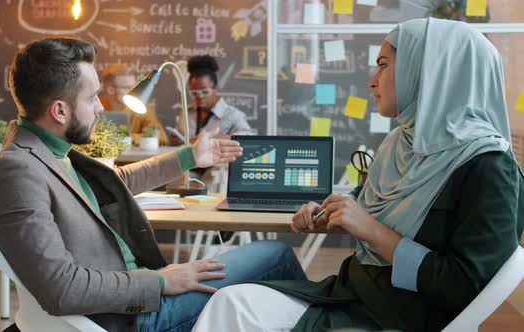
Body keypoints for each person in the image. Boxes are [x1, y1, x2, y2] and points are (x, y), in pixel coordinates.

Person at [193, 18, 524, 332]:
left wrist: (371, 230)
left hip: (398, 316)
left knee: (233, 306)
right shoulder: (400, 143)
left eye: (383, 64)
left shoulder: (490, 166)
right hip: (350, 293)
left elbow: (465, 286)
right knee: (230, 301)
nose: (371, 80)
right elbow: (367, 207)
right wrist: (333, 212)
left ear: (430, 70)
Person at [0, 38, 307, 332]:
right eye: (93, 97)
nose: (101, 107)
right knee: (277, 255)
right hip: (134, 318)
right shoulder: (17, 174)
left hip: (140, 294)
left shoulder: (50, 151)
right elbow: (63, 290)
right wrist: (162, 281)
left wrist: (189, 156)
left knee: (266, 267)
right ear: (60, 110)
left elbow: (114, 183)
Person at [168, 55, 253, 146]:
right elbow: (180, 140)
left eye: (205, 92)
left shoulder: (233, 115)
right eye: (194, 93)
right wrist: (175, 140)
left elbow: (248, 138)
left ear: (216, 88)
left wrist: (204, 139)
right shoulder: (186, 112)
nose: (199, 97)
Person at [100, 64, 169, 145]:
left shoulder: (140, 107)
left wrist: (130, 138)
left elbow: (162, 137)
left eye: (134, 86)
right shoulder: (97, 107)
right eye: (128, 88)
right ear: (110, 90)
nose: (134, 91)